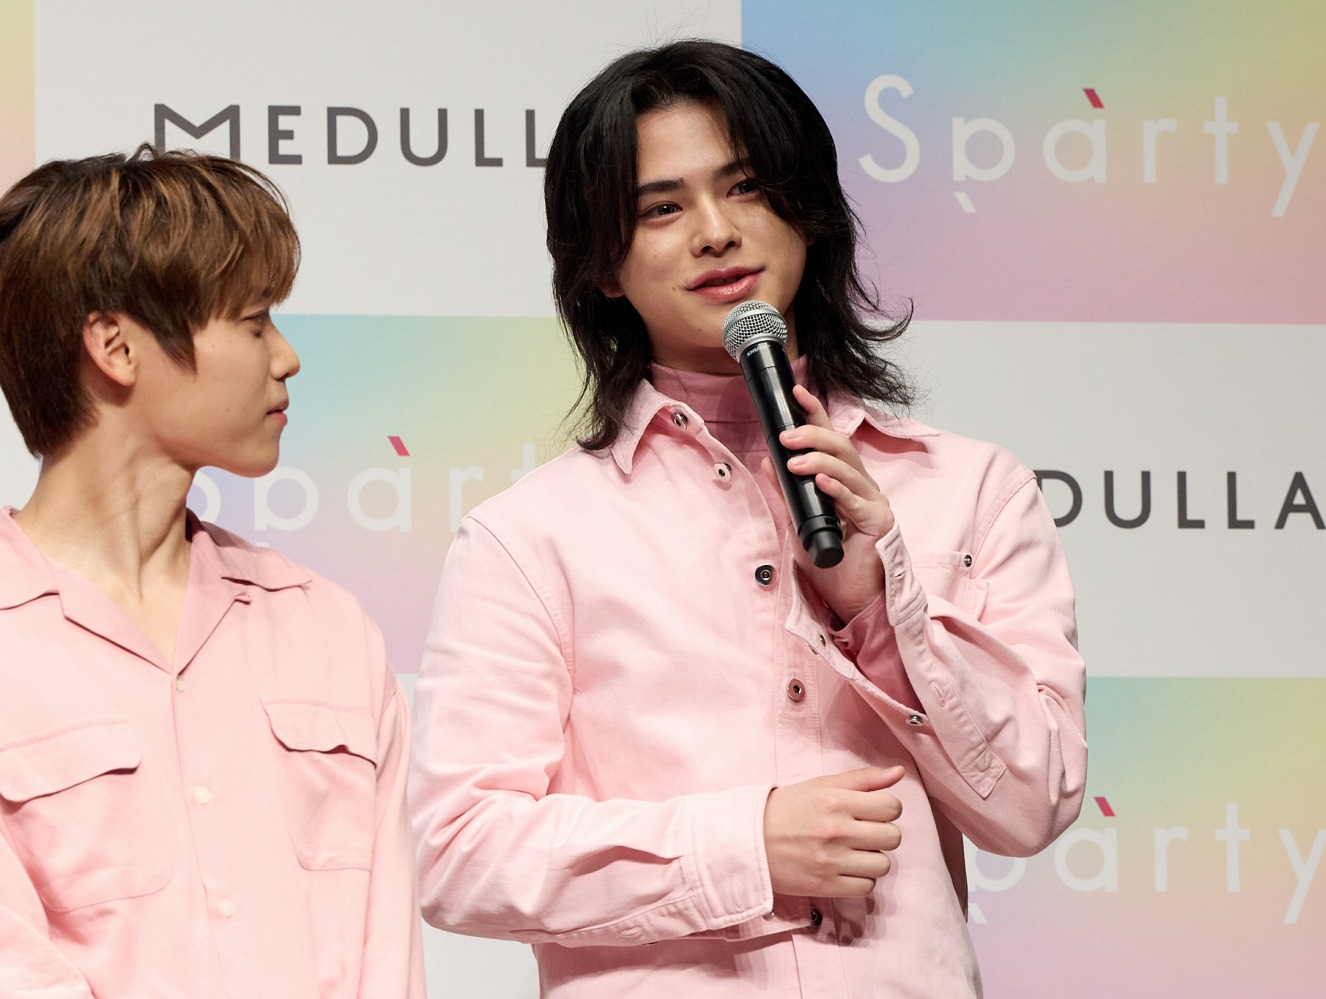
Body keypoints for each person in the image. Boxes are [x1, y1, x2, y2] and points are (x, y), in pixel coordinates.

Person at [410, 39, 1086, 997]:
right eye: (662, 208)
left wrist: (878, 604)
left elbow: (1031, 803)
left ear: (808, 209)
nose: (717, 232)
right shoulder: (530, 537)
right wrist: (744, 847)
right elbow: (459, 852)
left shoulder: (971, 488)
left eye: (748, 188)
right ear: (604, 265)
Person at [0, 147, 424, 998]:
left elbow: (389, 957)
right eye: (255, 320)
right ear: (116, 346)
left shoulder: (328, 629)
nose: (287, 356)